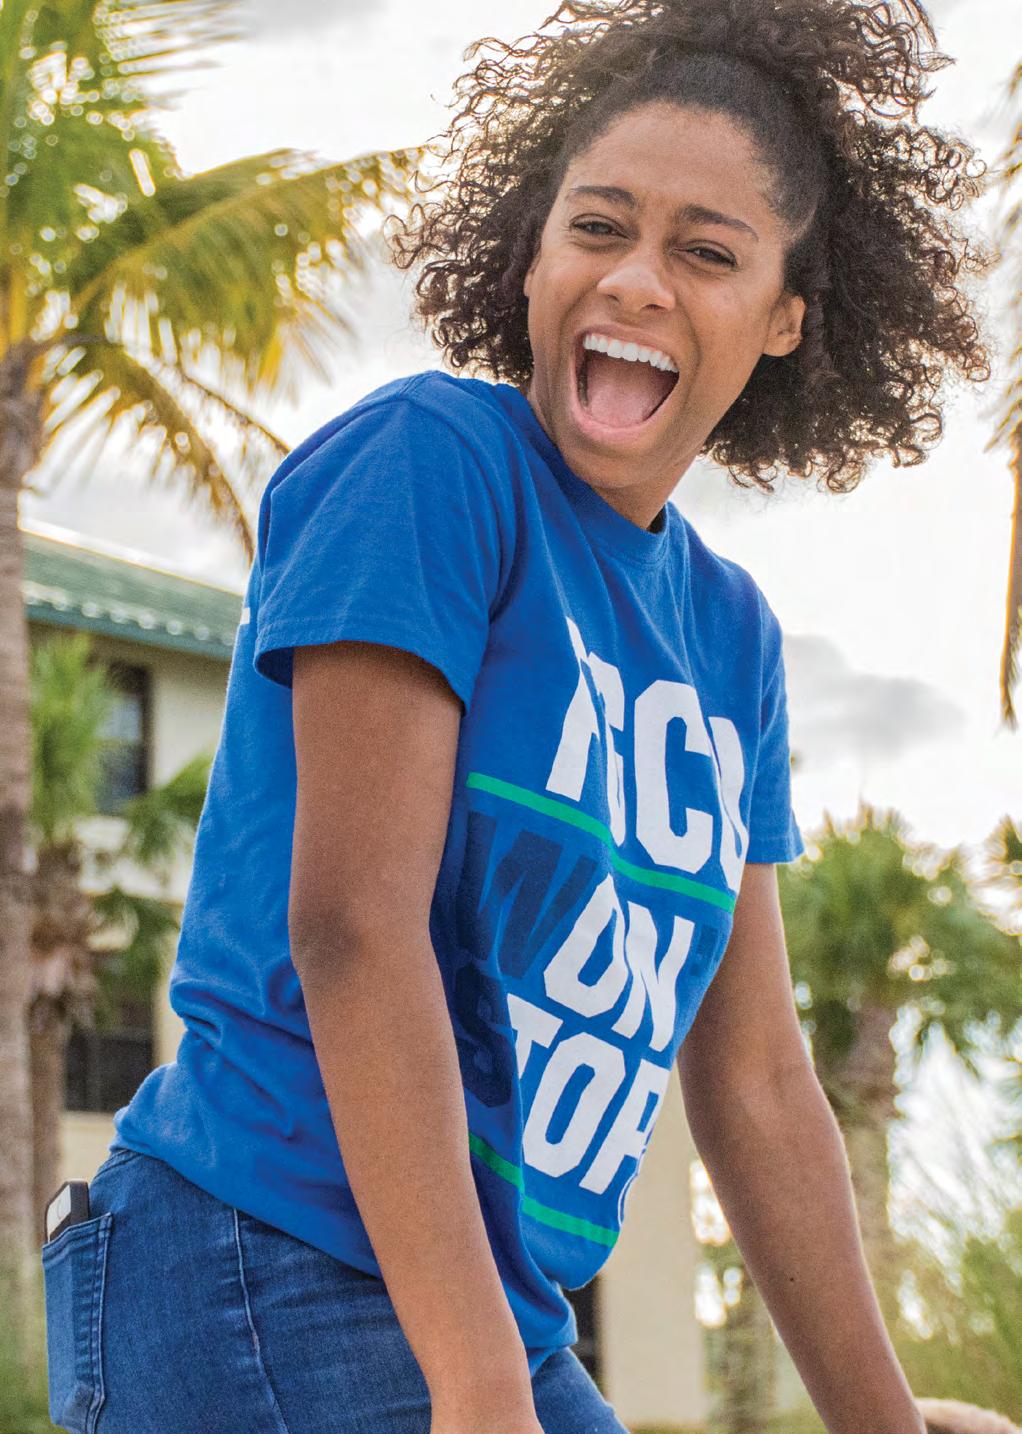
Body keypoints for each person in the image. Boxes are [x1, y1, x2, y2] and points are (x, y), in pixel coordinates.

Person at [39, 0, 993, 1430]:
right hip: (262, 1243)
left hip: (489, 1306)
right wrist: (482, 1389)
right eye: (596, 227)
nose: (636, 279)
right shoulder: (431, 464)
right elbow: (353, 926)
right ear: (531, 256)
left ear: (787, 316)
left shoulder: (729, 635)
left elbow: (753, 1077)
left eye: (706, 252)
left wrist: (888, 1423)